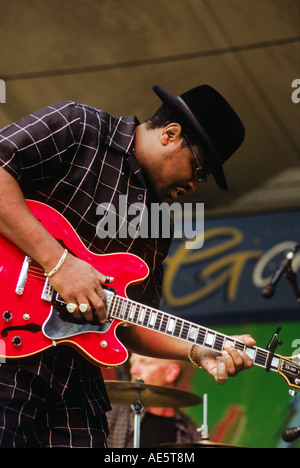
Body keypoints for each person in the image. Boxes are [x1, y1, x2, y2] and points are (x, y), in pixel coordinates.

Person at [0, 83, 256, 448]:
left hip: (76, 387)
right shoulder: (80, 127)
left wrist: (199, 350)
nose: (194, 185)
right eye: (197, 169)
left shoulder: (157, 227)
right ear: (170, 134)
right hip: (7, 353)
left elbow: (132, 322)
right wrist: (58, 263)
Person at [107, 354, 200, 448]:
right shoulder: (111, 415)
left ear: (170, 373)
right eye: (133, 363)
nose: (133, 370)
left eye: (146, 363)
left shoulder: (191, 433)